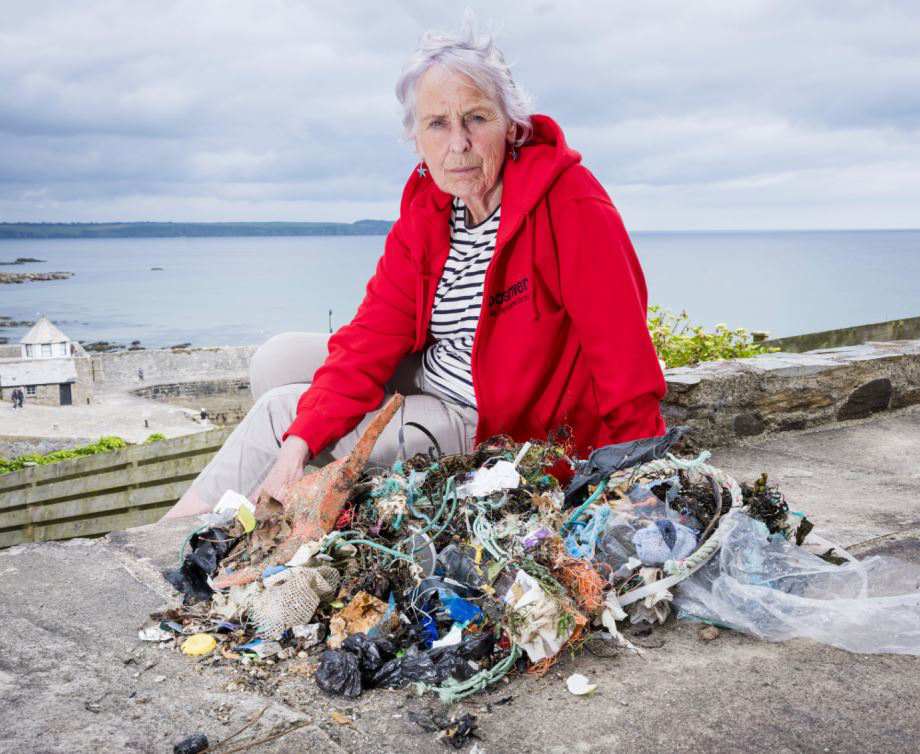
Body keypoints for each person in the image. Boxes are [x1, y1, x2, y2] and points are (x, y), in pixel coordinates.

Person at [164, 19, 666, 520]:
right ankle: (290, 490)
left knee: (279, 412)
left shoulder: (569, 201)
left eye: (476, 118)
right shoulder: (431, 208)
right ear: (416, 136)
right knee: (275, 363)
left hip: (493, 423)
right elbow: (371, 335)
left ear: (512, 124)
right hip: (432, 373)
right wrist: (300, 440)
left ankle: (167, 542)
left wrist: (636, 476)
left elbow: (622, 352)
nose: (458, 143)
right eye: (438, 123)